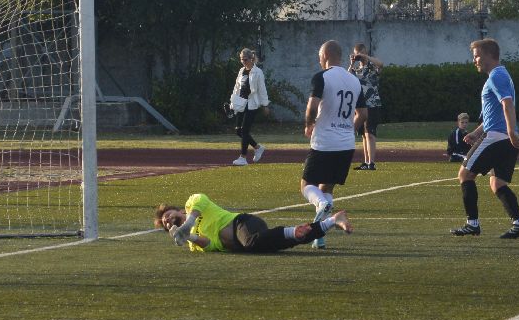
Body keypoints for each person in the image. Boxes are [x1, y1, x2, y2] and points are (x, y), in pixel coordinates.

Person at [451, 38, 519, 239]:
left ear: (489, 55)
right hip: (503, 138)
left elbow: (507, 104)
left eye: (477, 56)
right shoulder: (500, 75)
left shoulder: (496, 76)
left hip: (497, 137)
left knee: (465, 175)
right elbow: (495, 114)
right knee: (498, 184)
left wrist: (510, 132)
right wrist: (477, 132)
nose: (474, 60)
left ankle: (472, 224)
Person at [300, 39, 365, 248]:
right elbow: (363, 114)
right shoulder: (354, 80)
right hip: (346, 144)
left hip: (324, 141)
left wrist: (309, 125)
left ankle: (322, 204)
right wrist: (348, 130)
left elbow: (312, 107)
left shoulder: (322, 77)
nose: (319, 60)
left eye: (319, 56)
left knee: (307, 186)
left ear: (325, 55)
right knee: (327, 187)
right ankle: (319, 236)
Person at [155, 194, 350, 253]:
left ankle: (292, 231)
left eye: (168, 215)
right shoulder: (191, 244)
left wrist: (188, 223)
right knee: (286, 241)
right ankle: (331, 221)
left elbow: (201, 200)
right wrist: (188, 236)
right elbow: (211, 244)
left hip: (243, 224)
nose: (168, 220)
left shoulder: (191, 205)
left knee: (252, 242)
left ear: (178, 210)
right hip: (247, 243)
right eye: (166, 224)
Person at [228, 48, 269, 166]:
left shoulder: (258, 72)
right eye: (241, 59)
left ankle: (243, 157)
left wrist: (265, 105)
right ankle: (258, 148)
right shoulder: (241, 71)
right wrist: (232, 103)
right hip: (240, 103)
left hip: (252, 104)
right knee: (238, 131)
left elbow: (262, 89)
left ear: (251, 59)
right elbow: (237, 88)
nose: (243, 62)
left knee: (245, 131)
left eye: (245, 59)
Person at [349, 42, 383, 170]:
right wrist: (352, 63)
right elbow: (346, 77)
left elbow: (381, 64)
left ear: (366, 52)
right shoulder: (356, 70)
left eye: (361, 53)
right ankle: (366, 161)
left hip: (372, 104)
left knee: (370, 133)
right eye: (357, 54)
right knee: (363, 135)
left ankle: (371, 163)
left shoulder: (372, 67)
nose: (360, 56)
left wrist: (366, 57)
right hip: (360, 106)